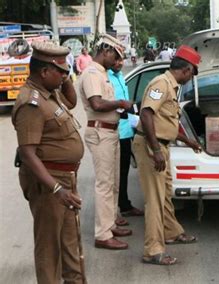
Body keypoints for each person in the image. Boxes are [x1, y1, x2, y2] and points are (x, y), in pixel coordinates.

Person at [12, 41, 86, 283]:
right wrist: (56, 189)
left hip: (65, 179)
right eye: (61, 71)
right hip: (49, 183)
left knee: (69, 241)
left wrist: (65, 78)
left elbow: (72, 102)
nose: (66, 76)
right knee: (49, 248)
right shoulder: (31, 103)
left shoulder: (49, 92)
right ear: (44, 72)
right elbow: (28, 154)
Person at [133, 45, 202, 265]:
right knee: (154, 199)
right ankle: (152, 250)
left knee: (165, 193)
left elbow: (166, 122)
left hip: (162, 146)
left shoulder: (171, 87)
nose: (191, 78)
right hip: (151, 147)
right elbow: (146, 114)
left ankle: (171, 231)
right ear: (187, 69)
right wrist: (155, 150)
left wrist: (188, 141)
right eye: (192, 73)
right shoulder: (161, 84)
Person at [75, 34, 133, 250]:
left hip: (111, 132)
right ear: (106, 51)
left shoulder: (102, 73)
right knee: (104, 185)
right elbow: (97, 104)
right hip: (101, 133)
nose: (118, 61)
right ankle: (102, 234)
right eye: (116, 55)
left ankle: (110, 224)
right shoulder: (92, 73)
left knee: (113, 183)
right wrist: (120, 102)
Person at [108, 56, 144, 225]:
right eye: (116, 60)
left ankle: (124, 205)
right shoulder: (105, 78)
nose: (119, 63)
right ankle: (115, 211)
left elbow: (128, 106)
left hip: (126, 130)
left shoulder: (120, 76)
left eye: (121, 60)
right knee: (115, 176)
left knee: (123, 172)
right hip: (115, 133)